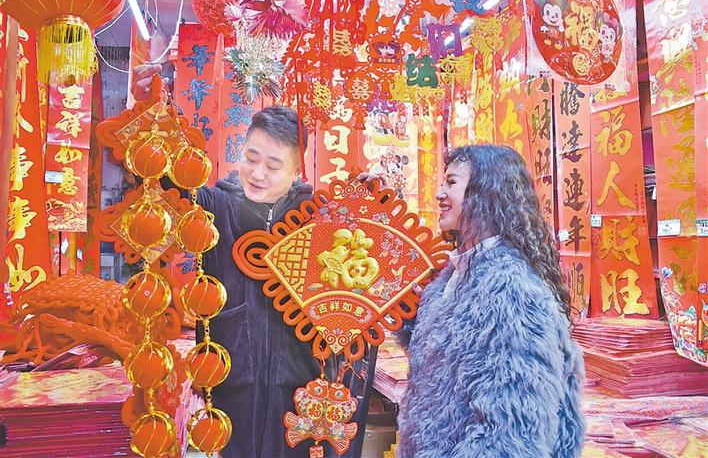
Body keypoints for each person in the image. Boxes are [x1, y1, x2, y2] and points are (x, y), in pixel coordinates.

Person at [131, 65, 380, 458]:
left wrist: (370, 210)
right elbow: (163, 179)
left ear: (296, 169)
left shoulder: (319, 218)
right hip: (231, 379)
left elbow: (358, 288)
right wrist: (150, 110)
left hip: (301, 384)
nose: (258, 173)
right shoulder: (214, 205)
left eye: (274, 166)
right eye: (251, 158)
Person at [396, 145, 585, 457]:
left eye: (451, 183)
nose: (440, 194)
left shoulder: (510, 289)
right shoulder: (455, 274)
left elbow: (511, 430)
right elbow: (446, 359)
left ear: (486, 194)